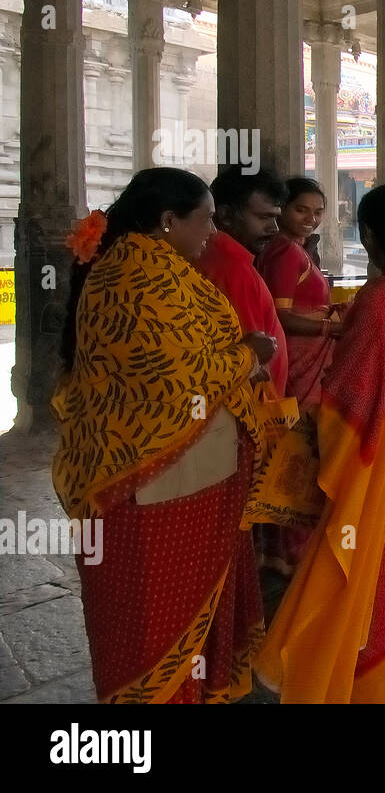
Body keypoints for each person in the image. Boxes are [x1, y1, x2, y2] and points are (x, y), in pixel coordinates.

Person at [51, 166, 280, 703]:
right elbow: (179, 377)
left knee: (170, 616)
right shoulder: (139, 276)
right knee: (154, 617)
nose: (211, 233)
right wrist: (250, 354)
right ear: (167, 220)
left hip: (183, 478)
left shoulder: (154, 268)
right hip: (153, 481)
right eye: (203, 221)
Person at [256, 184, 385, 703]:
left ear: (368, 235)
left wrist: (317, 428)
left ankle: (369, 681)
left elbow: (350, 398)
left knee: (378, 568)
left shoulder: (381, 299)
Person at [254, 177, 345, 576]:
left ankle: (280, 548)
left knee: (294, 450)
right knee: (299, 449)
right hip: (299, 359)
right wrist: (332, 328)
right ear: (283, 210)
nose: (310, 219)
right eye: (301, 210)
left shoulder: (292, 250)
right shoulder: (285, 254)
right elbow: (281, 314)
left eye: (318, 212)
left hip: (304, 356)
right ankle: (291, 551)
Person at [196, 168, 290, 396]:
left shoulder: (223, 257)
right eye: (264, 217)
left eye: (276, 218)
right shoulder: (231, 268)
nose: (274, 228)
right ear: (226, 215)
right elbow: (254, 357)